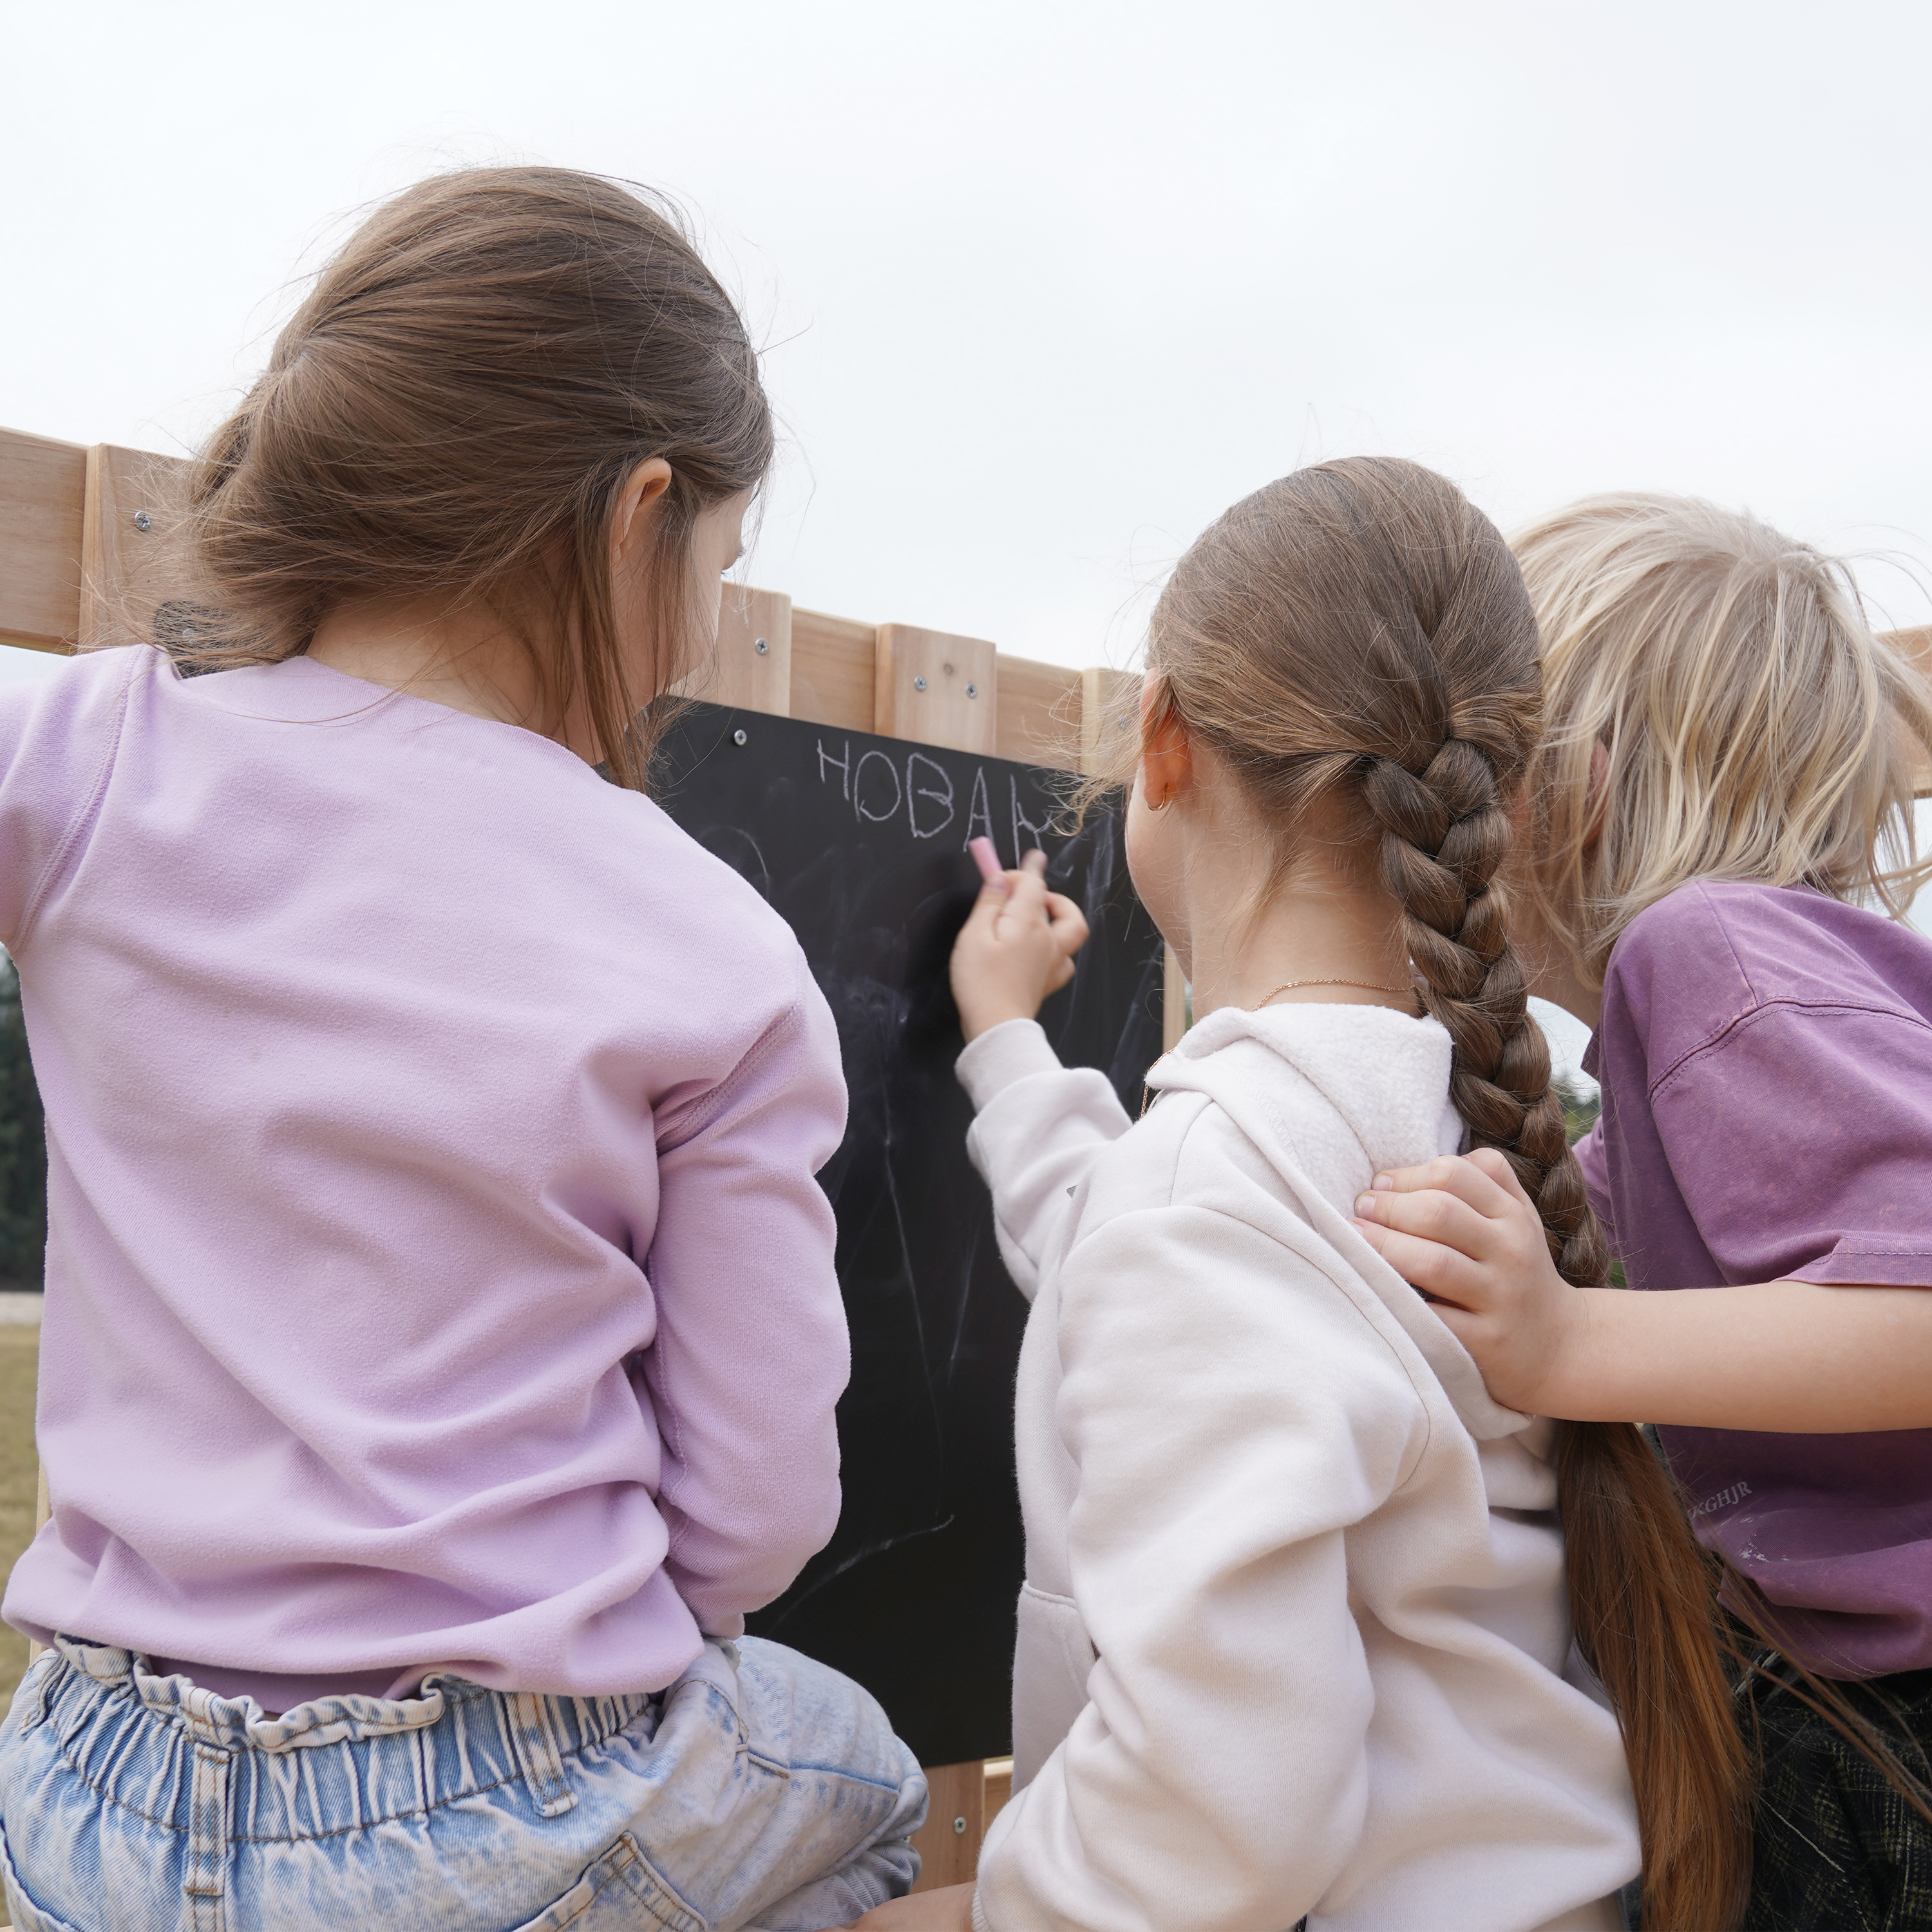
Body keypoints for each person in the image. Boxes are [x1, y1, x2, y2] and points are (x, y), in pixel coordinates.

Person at [0, 167, 923, 1932]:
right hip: (498, 1801)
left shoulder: (89, 760)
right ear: (638, 513)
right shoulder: (708, 939)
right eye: (720, 565)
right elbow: (755, 1510)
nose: (710, 625)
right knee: (868, 1781)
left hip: (89, 1789)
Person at [855, 459, 1751, 1932]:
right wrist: (1008, 1048)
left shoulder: (1213, 1192)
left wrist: (975, 1915)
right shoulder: (1460, 1129)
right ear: (1506, 802)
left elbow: (1216, 1819)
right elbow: (1133, 1251)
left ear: (1162, 740)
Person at [1351, 493, 1932, 1931]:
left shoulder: (1716, 957)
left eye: (1477, 770)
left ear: (1584, 785)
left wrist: (1570, 1343)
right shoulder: (1730, 1017)